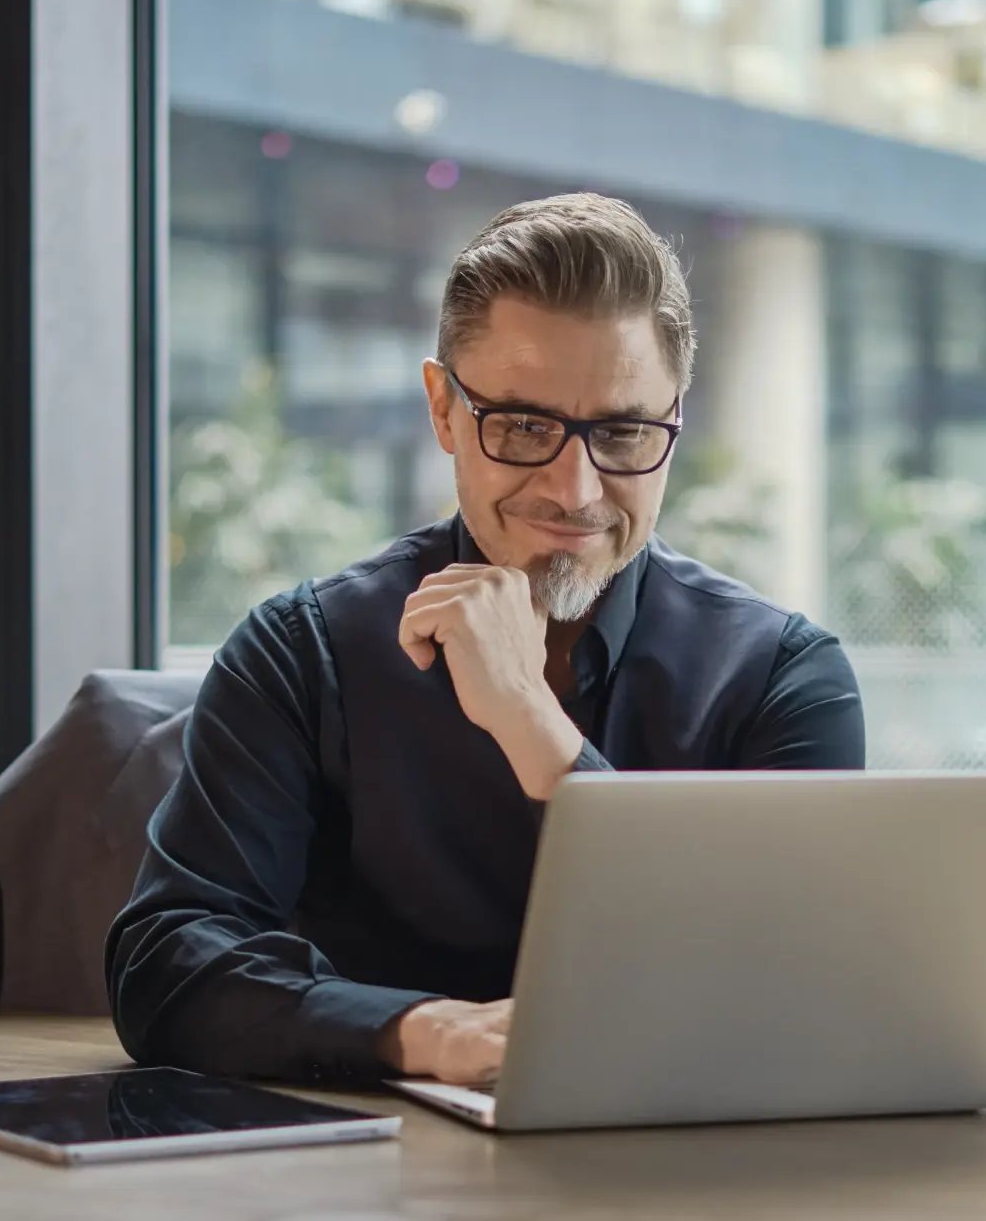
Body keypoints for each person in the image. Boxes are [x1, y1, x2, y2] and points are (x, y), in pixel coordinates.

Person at [106, 193, 866, 1088]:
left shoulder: (785, 679)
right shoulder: (302, 653)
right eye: (523, 427)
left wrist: (530, 722)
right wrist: (424, 1035)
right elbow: (165, 965)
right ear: (443, 410)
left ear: (674, 423)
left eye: (623, 432)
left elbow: (786, 994)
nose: (575, 489)